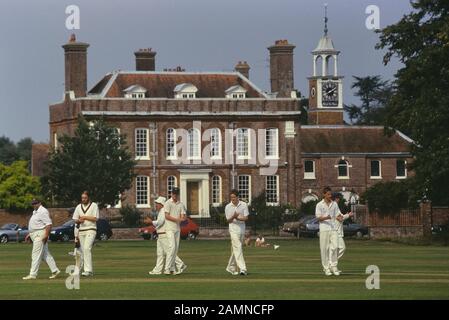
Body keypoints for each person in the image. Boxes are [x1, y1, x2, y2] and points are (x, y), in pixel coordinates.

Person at [145, 196, 186, 275]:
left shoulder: (164, 211)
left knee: (169, 252)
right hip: (160, 236)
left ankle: (180, 264)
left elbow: (160, 222)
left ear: (161, 204)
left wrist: (151, 222)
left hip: (164, 235)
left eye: (157, 203)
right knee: (160, 254)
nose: (156, 205)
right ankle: (158, 270)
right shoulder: (161, 211)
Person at [23, 199, 60, 280]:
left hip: (40, 235)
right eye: (33, 203)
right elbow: (37, 224)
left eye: (35, 203)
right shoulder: (35, 211)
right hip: (36, 234)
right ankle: (55, 270)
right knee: (45, 255)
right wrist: (30, 234)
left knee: (35, 254)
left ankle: (33, 274)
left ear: (40, 203)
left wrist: (46, 235)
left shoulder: (43, 211)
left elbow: (49, 224)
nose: (34, 205)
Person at [72, 191, 99, 277]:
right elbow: (75, 219)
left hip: (91, 229)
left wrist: (84, 217)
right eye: (82, 198)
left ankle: (88, 270)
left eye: (85, 198)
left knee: (87, 248)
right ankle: (84, 270)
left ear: (89, 198)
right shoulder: (78, 207)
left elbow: (95, 218)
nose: (83, 199)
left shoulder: (94, 205)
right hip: (81, 230)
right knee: (83, 250)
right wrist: (79, 220)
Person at [315, 187, 341, 276]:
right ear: (324, 194)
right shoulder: (319, 205)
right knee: (324, 249)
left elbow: (338, 215)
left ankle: (334, 266)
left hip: (333, 228)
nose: (330, 196)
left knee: (335, 247)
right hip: (324, 229)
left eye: (331, 194)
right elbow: (318, 218)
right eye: (328, 194)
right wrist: (327, 217)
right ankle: (326, 268)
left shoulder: (334, 204)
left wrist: (340, 217)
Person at [225, 189, 249, 276]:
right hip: (233, 230)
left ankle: (230, 267)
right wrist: (233, 217)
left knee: (236, 249)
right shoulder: (228, 206)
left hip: (241, 229)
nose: (232, 199)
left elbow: (246, 218)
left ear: (238, 197)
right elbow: (228, 220)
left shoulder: (244, 205)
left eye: (234, 197)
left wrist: (238, 218)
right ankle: (243, 269)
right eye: (231, 197)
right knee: (238, 247)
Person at [164, 187, 187, 275]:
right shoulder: (167, 203)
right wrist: (177, 220)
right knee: (172, 247)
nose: (175, 195)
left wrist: (182, 219)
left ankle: (172, 269)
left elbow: (183, 216)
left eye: (176, 194)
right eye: (174, 193)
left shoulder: (180, 204)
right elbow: (167, 216)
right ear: (171, 194)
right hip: (169, 228)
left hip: (177, 229)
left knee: (175, 249)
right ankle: (167, 268)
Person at [332, 193, 354, 262]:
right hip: (335, 232)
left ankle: (332, 263)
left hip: (336, 231)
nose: (339, 199)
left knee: (337, 249)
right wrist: (348, 215)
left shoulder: (335, 207)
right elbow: (340, 219)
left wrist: (347, 215)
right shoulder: (333, 207)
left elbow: (340, 217)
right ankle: (332, 262)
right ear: (336, 198)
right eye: (338, 198)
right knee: (342, 248)